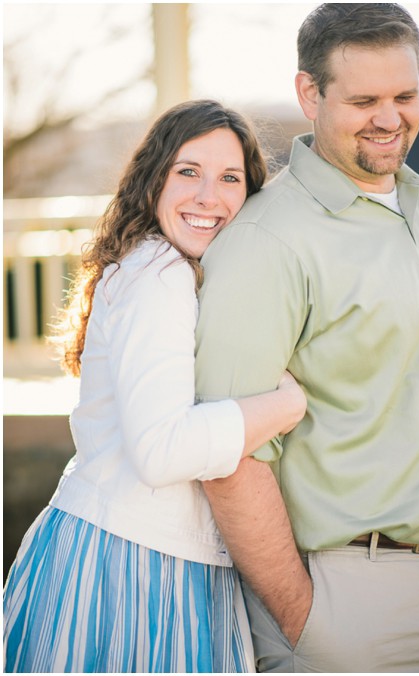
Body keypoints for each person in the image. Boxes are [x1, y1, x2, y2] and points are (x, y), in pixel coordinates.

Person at [2, 100, 308, 673]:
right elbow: (161, 450)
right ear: (153, 179)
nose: (207, 197)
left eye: (230, 178)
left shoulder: (159, 267)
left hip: (129, 547)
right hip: (133, 566)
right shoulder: (161, 276)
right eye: (187, 171)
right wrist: (285, 406)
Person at [195, 4, 419, 672]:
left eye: (403, 96)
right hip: (353, 608)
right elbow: (228, 454)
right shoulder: (264, 242)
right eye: (363, 100)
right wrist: (308, 621)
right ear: (310, 94)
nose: (390, 119)